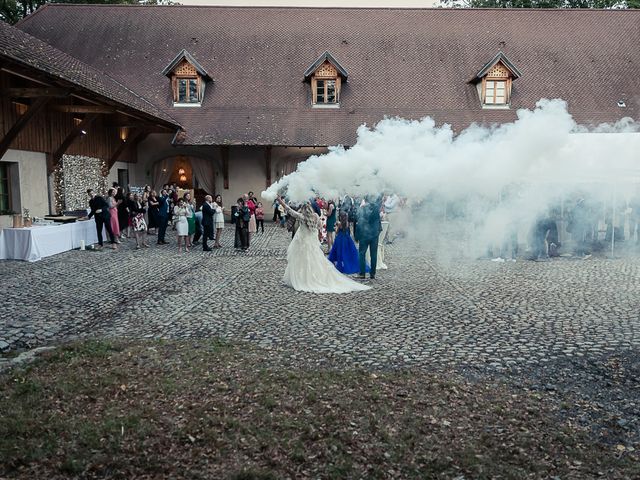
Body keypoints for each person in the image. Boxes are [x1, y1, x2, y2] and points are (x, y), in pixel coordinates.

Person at [277, 196, 370, 293]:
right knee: (314, 260)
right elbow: (320, 226)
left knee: (302, 260)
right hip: (312, 242)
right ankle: (314, 276)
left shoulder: (302, 217)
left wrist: (280, 201)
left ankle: (303, 278)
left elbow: (289, 210)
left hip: (303, 242)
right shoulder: (316, 216)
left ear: (303, 210)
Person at [357, 194, 383, 280]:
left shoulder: (362, 208)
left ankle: (362, 273)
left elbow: (359, 222)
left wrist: (357, 235)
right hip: (374, 234)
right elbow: (378, 221)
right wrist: (378, 231)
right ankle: (373, 274)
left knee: (362, 254)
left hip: (364, 234)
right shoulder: (376, 208)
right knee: (373, 254)